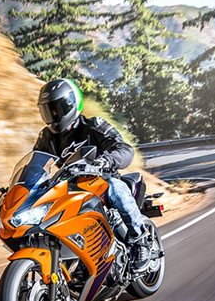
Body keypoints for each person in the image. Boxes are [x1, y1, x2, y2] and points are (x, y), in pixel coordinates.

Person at [33, 78, 150, 272]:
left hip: (101, 180)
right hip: (71, 189)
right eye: (48, 110)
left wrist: (105, 161)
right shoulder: (47, 138)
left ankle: (140, 240)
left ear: (71, 104)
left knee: (115, 187)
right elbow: (37, 163)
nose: (54, 115)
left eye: (57, 109)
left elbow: (124, 149)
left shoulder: (94, 125)